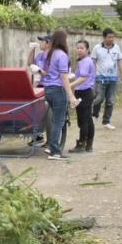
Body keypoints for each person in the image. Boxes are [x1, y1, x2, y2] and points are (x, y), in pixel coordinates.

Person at [37, 29, 78, 160]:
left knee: (55, 120)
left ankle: (52, 148)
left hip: (48, 89)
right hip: (58, 90)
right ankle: (55, 151)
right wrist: (71, 95)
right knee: (58, 122)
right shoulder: (62, 55)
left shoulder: (50, 54)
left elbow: (46, 72)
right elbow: (64, 77)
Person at [90, 28, 122, 129]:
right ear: (104, 37)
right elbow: (93, 62)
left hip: (113, 79)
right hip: (100, 78)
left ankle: (106, 122)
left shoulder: (117, 48)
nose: (111, 39)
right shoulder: (97, 48)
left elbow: (120, 61)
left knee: (110, 100)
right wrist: (93, 75)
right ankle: (94, 116)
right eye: (109, 37)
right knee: (99, 99)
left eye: (113, 37)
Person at [71, 40, 96, 152]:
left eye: (82, 48)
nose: (79, 50)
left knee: (84, 120)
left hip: (84, 92)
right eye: (78, 48)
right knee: (88, 119)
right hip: (86, 91)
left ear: (87, 50)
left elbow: (83, 78)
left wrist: (70, 85)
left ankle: (82, 143)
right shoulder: (85, 61)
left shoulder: (86, 61)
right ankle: (89, 144)